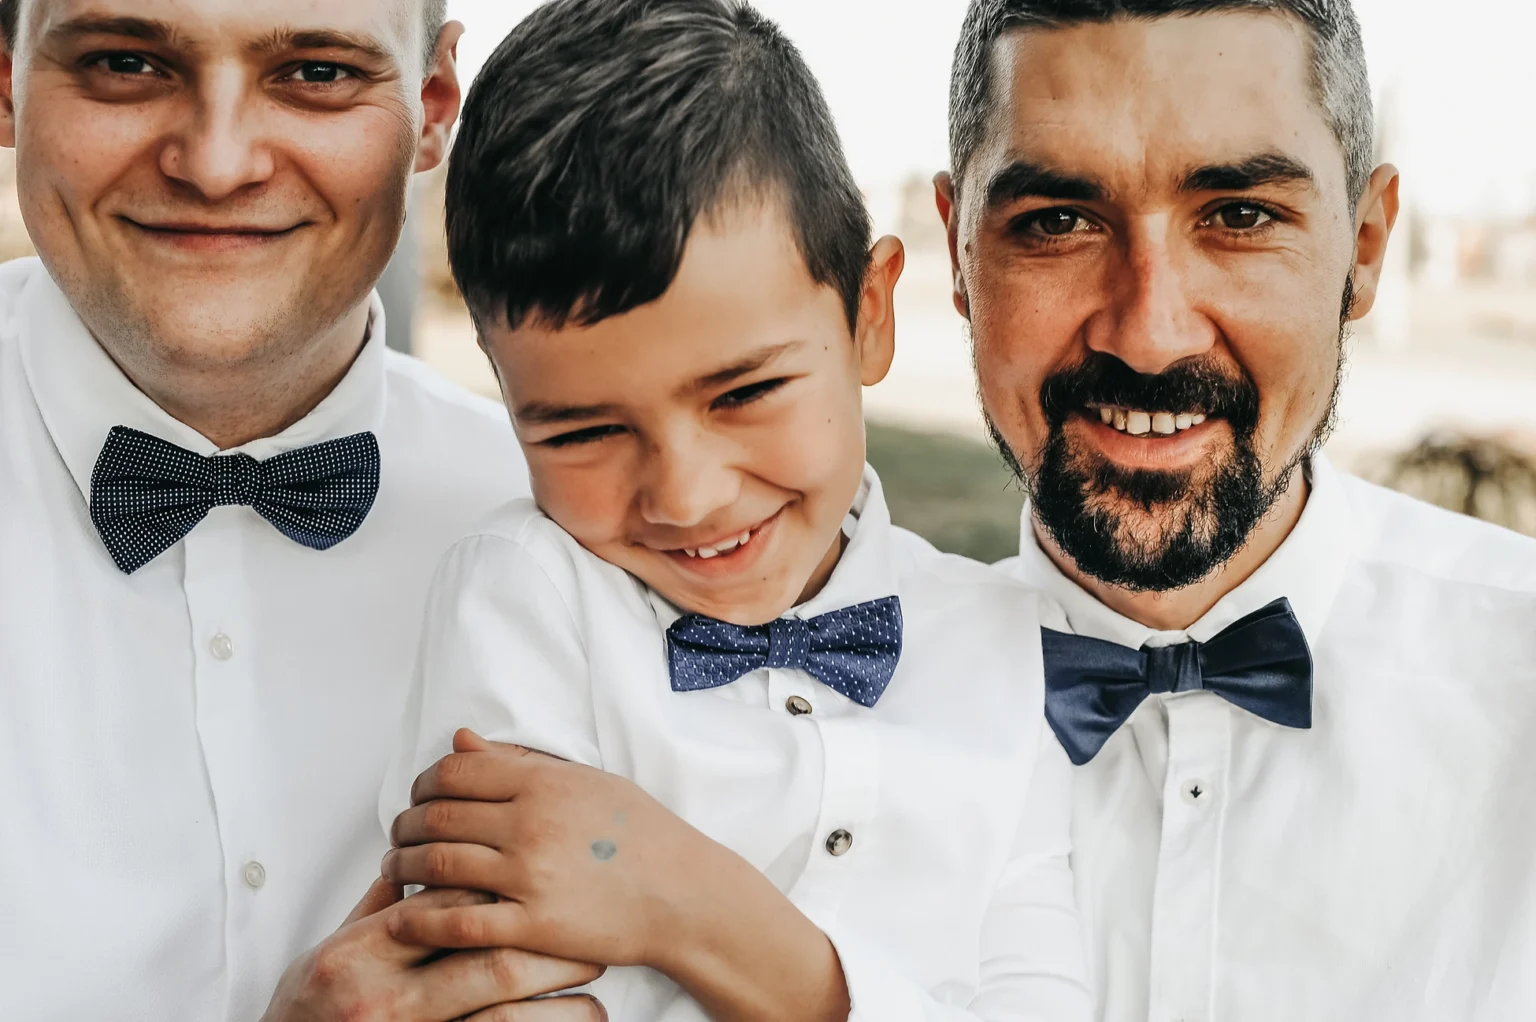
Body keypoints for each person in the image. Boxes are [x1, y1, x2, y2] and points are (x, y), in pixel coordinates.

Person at [375, 1, 1093, 1019]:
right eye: (582, 430)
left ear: (868, 317)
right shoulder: (525, 599)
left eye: (744, 393)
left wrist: (691, 905)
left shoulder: (1001, 644)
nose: (685, 493)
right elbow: (501, 982)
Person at [0, 1, 604, 1018]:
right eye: (125, 61)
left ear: (434, 103)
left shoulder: (584, 527)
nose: (218, 162)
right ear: (6, 82)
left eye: (317, 73)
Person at [935, 1, 1536, 1019]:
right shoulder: (787, 720)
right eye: (1057, 222)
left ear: (1368, 244)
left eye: (1241, 215)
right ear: (957, 253)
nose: (1151, 333)